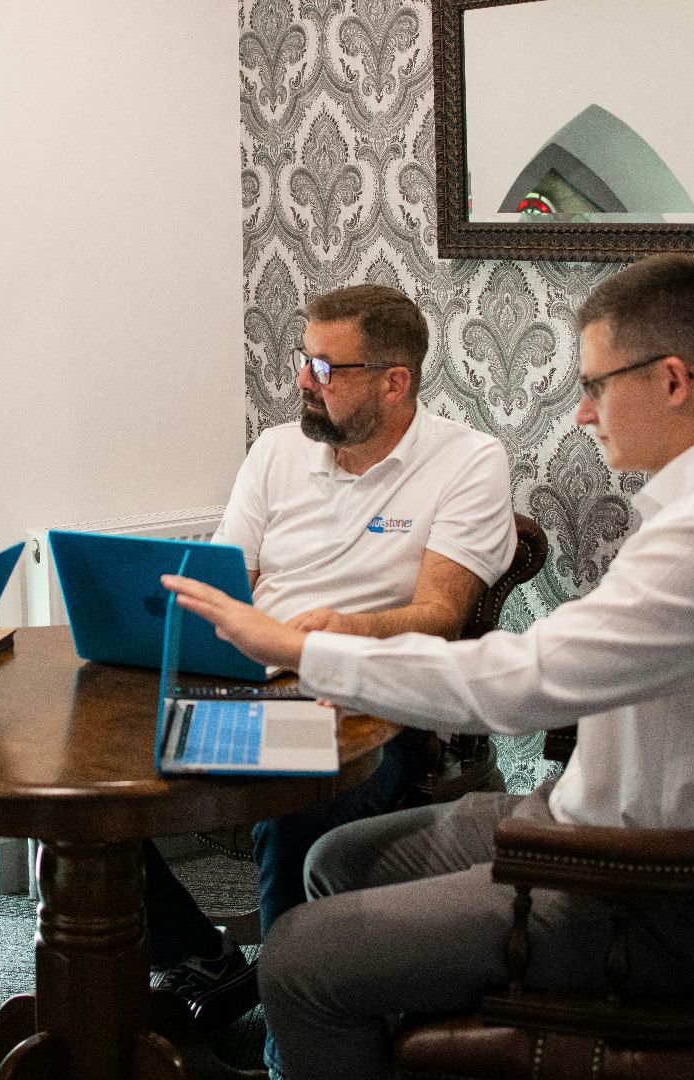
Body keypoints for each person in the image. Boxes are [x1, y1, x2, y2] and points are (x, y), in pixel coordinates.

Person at [166, 254, 694, 1080]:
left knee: (295, 954)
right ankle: (374, 1020)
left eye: (594, 385)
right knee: (332, 862)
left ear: (673, 381)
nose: (580, 414)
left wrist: (303, 649)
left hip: (624, 883)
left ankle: (326, 1010)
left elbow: (518, 679)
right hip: (574, 814)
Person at [144, 284, 515, 1040]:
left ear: (394, 380)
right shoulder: (278, 451)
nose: (301, 382)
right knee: (85, 787)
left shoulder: (468, 462)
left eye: (323, 367)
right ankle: (199, 953)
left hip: (373, 705)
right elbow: (228, 579)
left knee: (296, 814)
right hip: (248, 680)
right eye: (301, 360)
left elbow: (440, 615)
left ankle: (292, 1037)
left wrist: (330, 634)